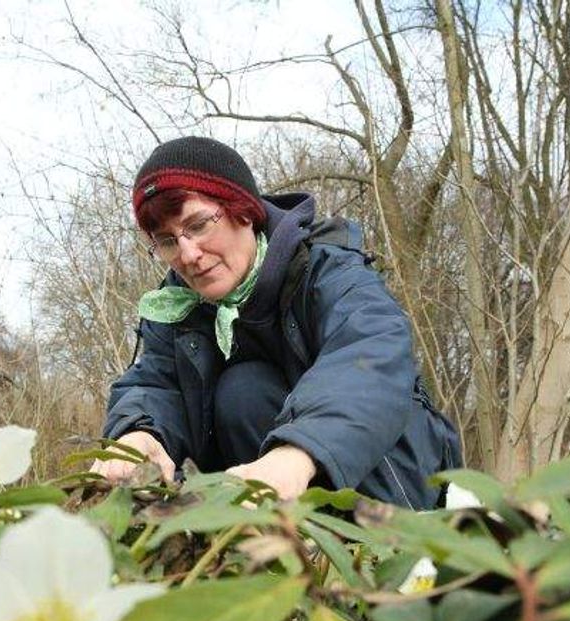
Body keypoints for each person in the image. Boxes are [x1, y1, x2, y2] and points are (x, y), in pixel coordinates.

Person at [90, 136, 461, 509]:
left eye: (199, 225)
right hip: (267, 496)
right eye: (168, 241)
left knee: (256, 391)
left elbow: (370, 357)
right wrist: (138, 433)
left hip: (390, 479)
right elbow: (156, 382)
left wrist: (297, 454)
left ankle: (386, 547)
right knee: (242, 391)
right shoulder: (177, 307)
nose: (188, 255)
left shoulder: (326, 269)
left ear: (244, 211)